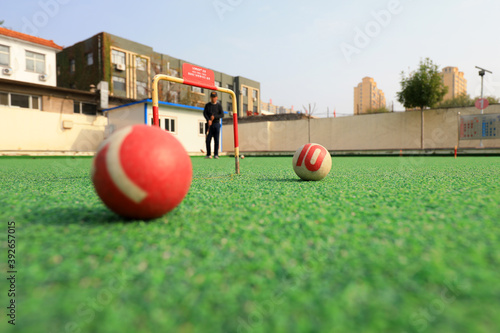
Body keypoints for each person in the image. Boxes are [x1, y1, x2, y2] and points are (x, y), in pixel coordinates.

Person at [203, 91, 224, 159]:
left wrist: (215, 117)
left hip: (216, 124)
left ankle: (216, 154)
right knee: (208, 139)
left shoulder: (219, 105)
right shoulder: (207, 105)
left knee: (216, 140)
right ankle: (208, 154)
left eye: (214, 97)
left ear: (217, 98)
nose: (213, 98)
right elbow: (204, 113)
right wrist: (208, 119)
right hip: (209, 124)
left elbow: (222, 115)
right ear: (210, 97)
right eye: (212, 97)